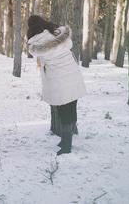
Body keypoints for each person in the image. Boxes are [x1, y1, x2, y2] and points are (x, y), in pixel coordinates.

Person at [27, 15, 86, 155]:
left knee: (63, 111)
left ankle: (67, 145)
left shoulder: (37, 43)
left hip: (59, 80)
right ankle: (67, 139)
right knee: (71, 108)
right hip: (73, 75)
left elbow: (36, 54)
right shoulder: (58, 34)